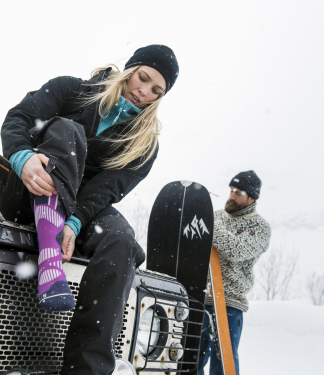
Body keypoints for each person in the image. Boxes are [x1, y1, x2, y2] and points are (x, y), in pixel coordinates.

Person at [0, 44, 179, 374]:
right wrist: (22, 156)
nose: (144, 92)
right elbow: (18, 118)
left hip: (78, 206)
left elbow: (106, 190)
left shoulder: (144, 145)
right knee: (69, 130)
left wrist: (75, 221)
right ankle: (49, 257)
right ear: (130, 69)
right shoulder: (71, 89)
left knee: (122, 240)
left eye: (156, 91)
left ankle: (87, 368)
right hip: (28, 187)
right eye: (143, 78)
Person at [199, 170, 271, 375]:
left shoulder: (260, 227)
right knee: (188, 363)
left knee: (222, 368)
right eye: (231, 190)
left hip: (230, 304)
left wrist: (209, 224)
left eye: (238, 192)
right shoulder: (216, 216)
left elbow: (237, 250)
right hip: (201, 300)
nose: (231, 196)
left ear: (252, 197)